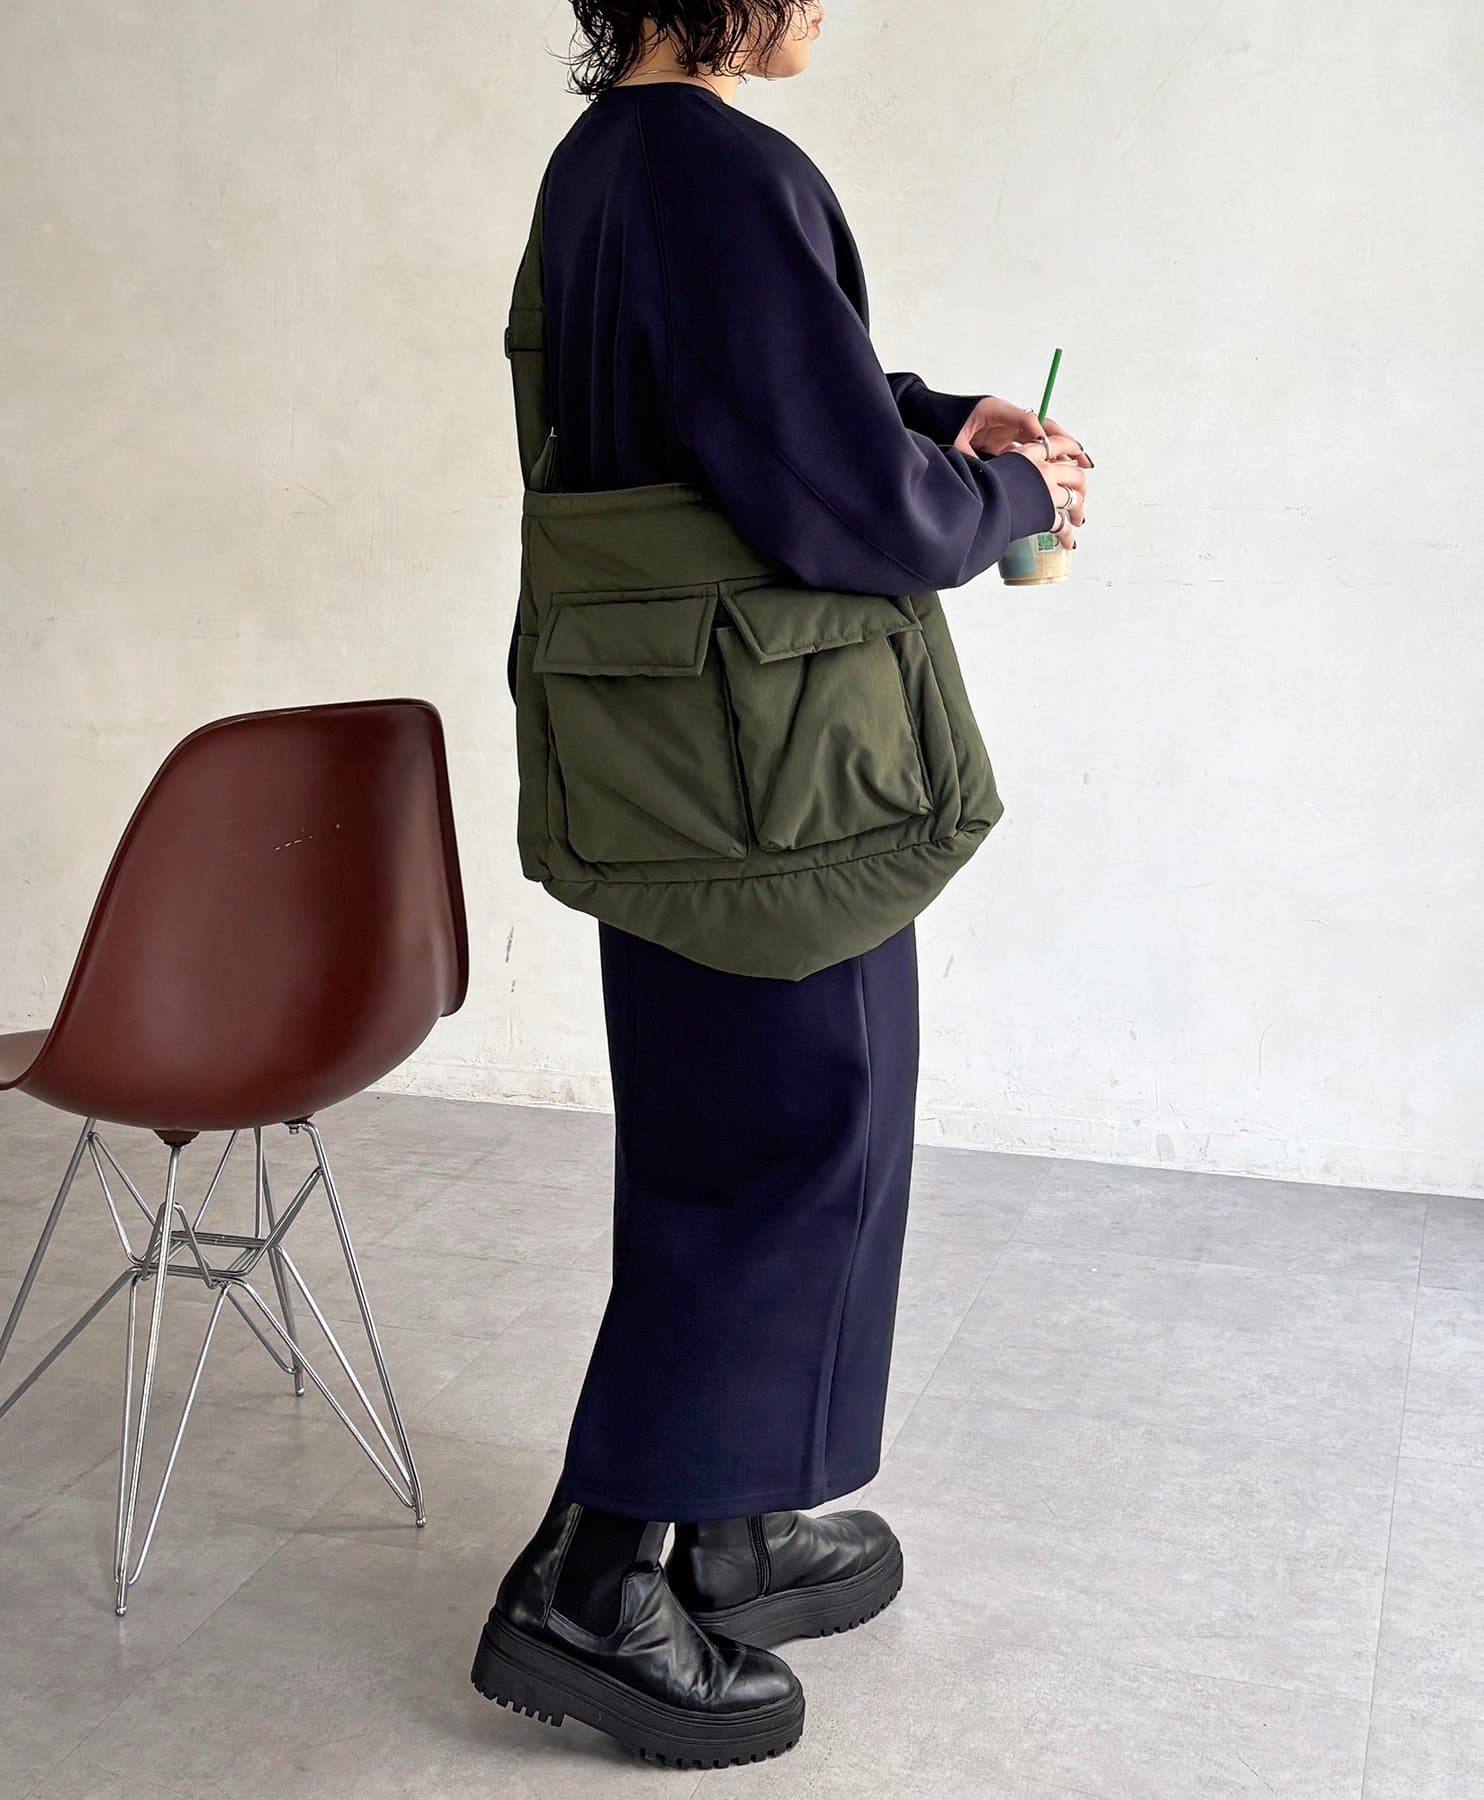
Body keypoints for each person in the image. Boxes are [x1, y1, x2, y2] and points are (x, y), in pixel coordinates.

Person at [471, 1, 1091, 1769]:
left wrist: (930, 415)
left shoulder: (603, 165)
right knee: (796, 1148)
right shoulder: (719, 169)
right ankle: (594, 1581)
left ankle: (734, 1521)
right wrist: (1000, 495)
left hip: (667, 754)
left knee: (730, 1137)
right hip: (773, 774)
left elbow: (736, 407)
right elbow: (842, 501)